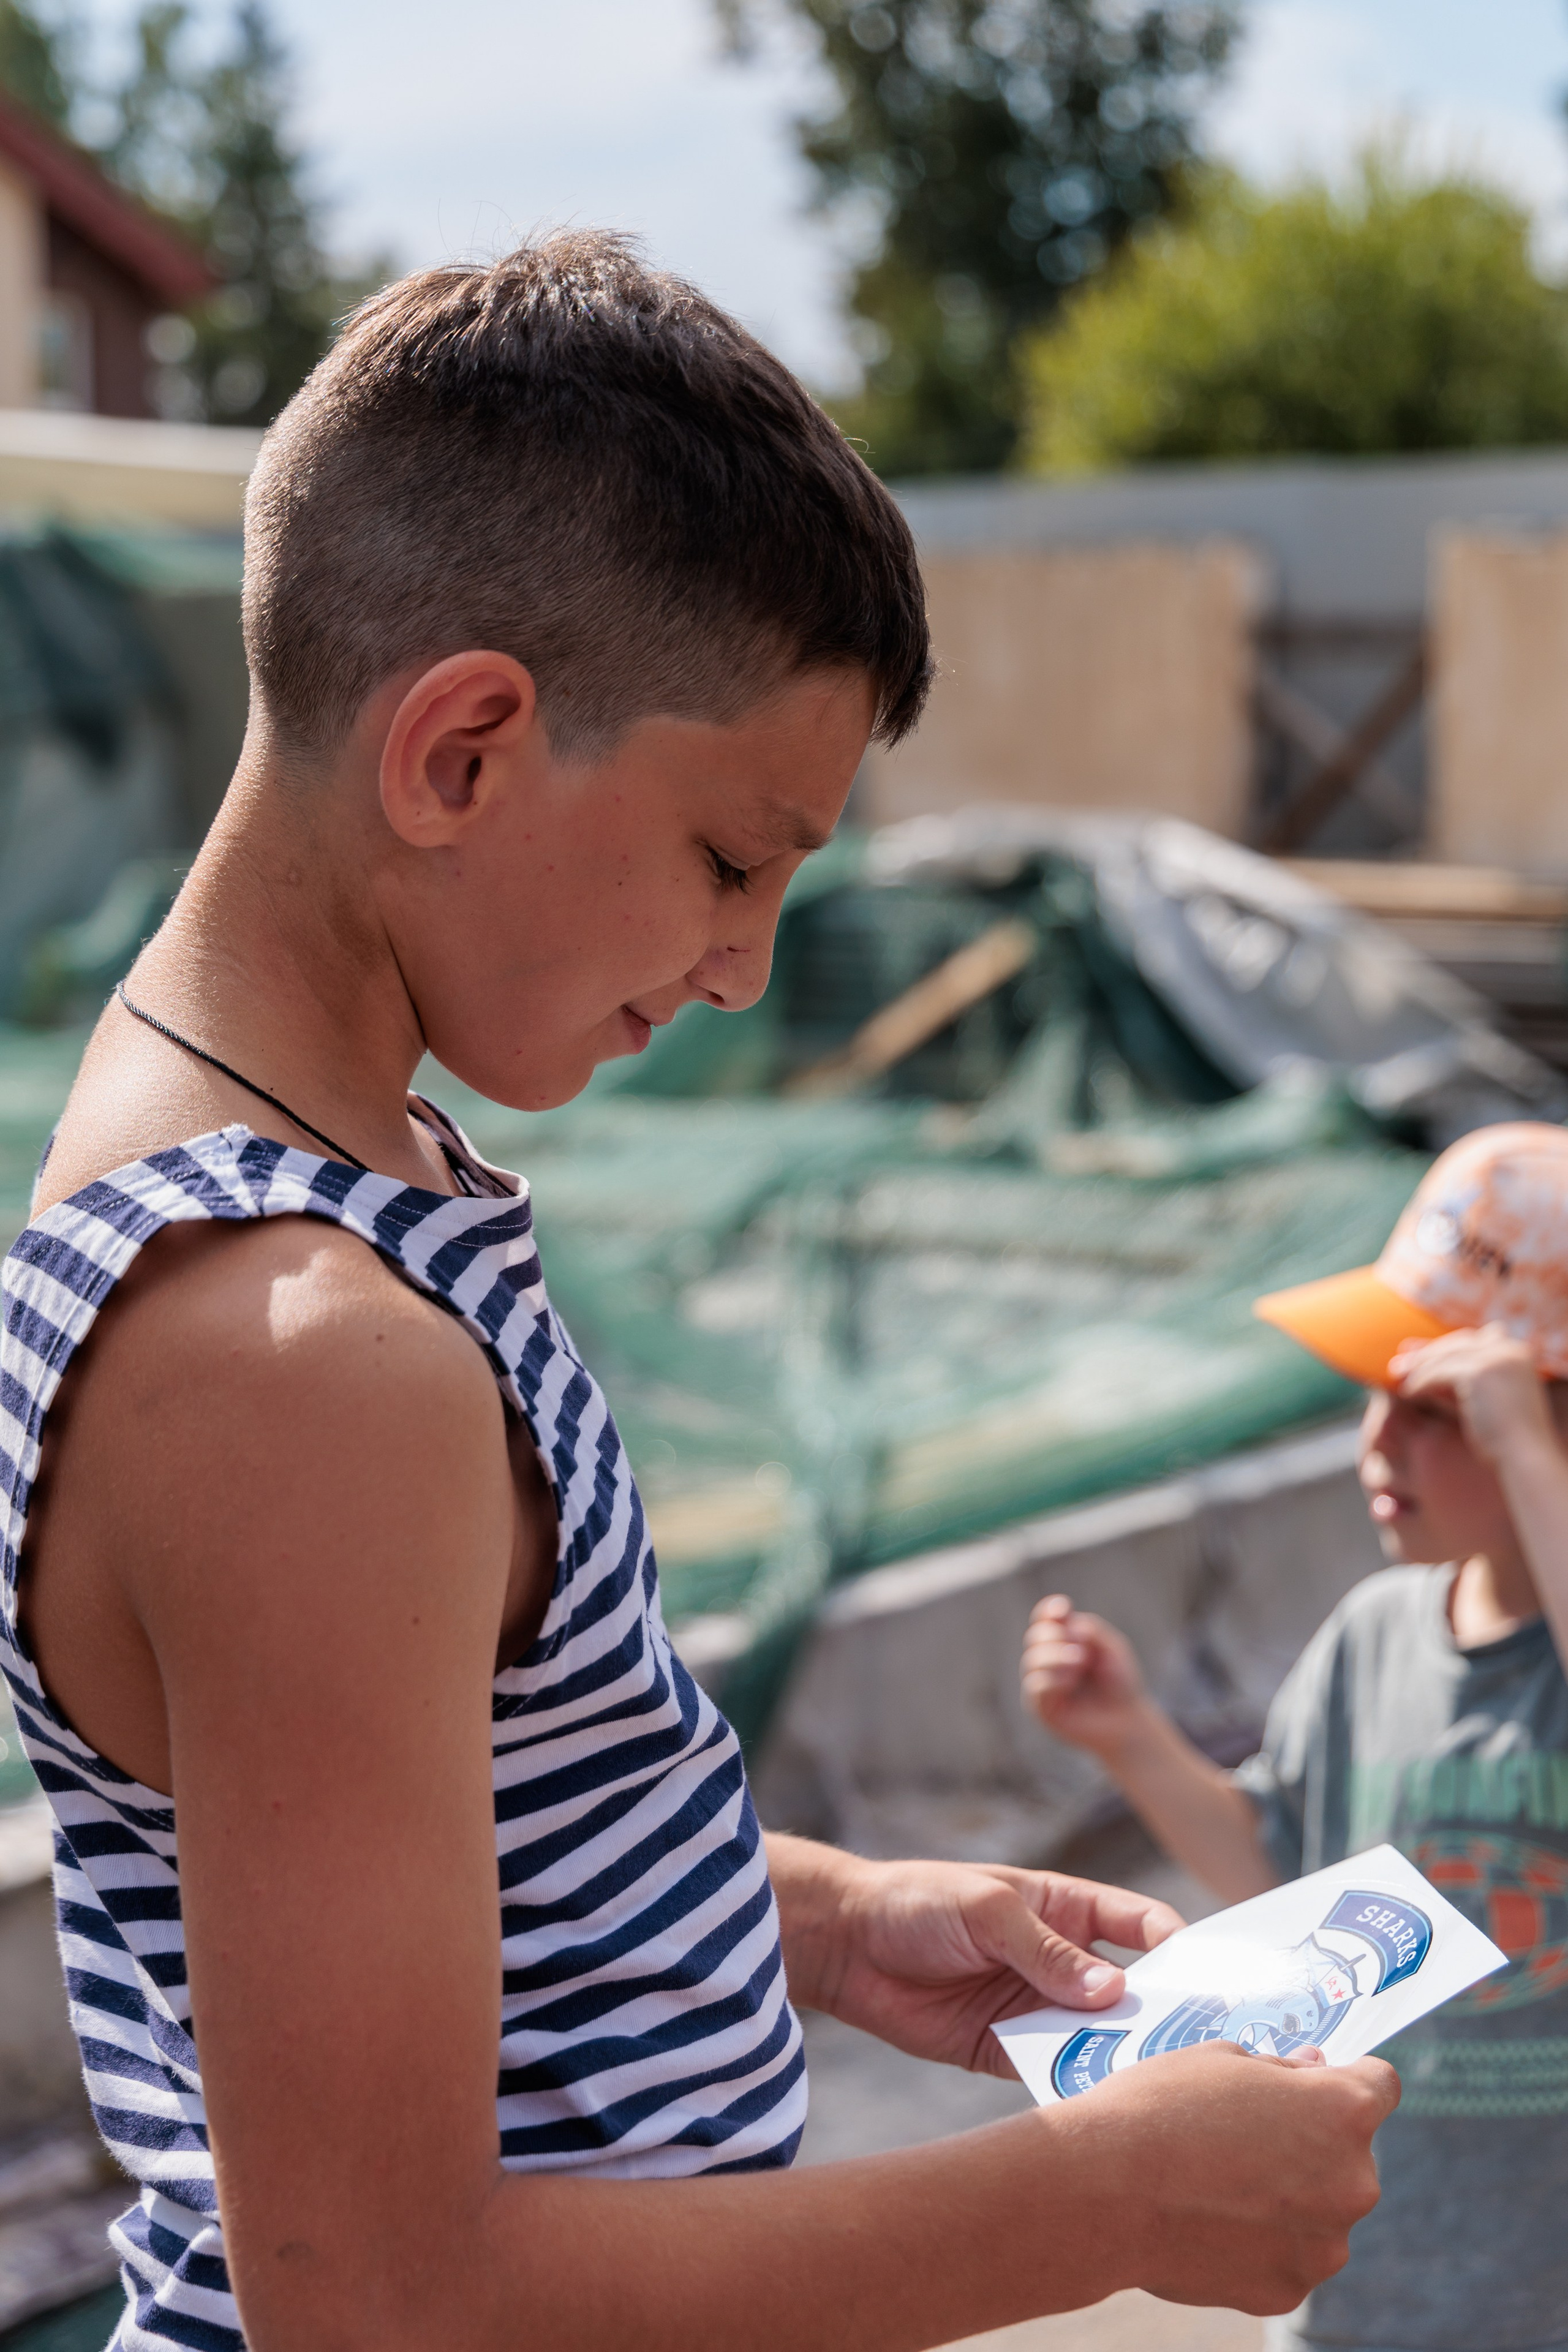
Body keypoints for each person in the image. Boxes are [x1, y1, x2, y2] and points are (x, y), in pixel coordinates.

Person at [0, 232, 1393, 2352]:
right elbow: (378, 2304)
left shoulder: (303, 1166)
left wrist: (820, 1921)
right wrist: (1099, 2201)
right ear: (461, 751)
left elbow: (419, 1829)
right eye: (737, 859)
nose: (746, 964)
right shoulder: (299, 1361)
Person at [1025, 1118, 1568, 2352]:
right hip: (1362, 2294)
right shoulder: (1374, 1632)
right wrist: (1127, 1736)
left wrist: (1525, 1448)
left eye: (1437, 1410)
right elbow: (1282, 1872)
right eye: (1373, 1399)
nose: (1376, 1445)